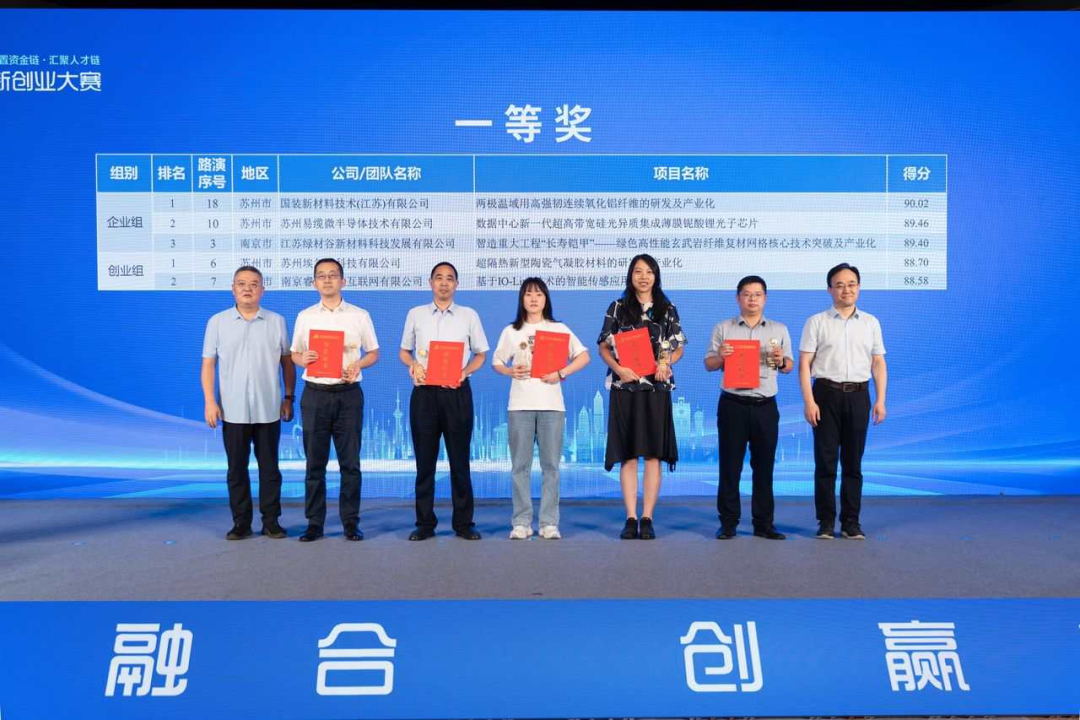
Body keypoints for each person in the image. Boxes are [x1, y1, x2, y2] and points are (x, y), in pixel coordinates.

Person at [201, 265, 295, 541]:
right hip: (232, 409)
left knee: (270, 470)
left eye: (254, 284)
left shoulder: (277, 321)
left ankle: (271, 522)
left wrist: (288, 397)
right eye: (241, 283)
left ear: (262, 290)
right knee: (236, 470)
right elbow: (208, 365)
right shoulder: (217, 322)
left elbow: (287, 363)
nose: (247, 288)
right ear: (233, 289)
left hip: (269, 408)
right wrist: (210, 401)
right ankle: (241, 523)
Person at [492, 278, 590, 540]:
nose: (533, 299)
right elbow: (497, 361)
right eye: (528, 294)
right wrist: (509, 371)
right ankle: (521, 522)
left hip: (551, 406)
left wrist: (561, 372)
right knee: (519, 467)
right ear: (521, 299)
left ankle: (548, 522)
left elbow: (584, 356)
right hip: (520, 405)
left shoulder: (558, 328)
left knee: (551, 467)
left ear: (546, 299)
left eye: (538, 294)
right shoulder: (511, 331)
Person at [290, 258, 380, 542]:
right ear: (314, 283)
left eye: (332, 275)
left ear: (343, 281)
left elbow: (373, 353)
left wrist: (358, 365)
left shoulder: (359, 315)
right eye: (321, 276)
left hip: (348, 395)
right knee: (314, 464)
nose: (327, 280)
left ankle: (350, 522)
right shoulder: (305, 316)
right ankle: (314, 523)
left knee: (350, 464)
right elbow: (294, 354)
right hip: (315, 394)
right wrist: (302, 358)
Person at [597, 254, 685, 540]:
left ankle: (647, 517)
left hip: (656, 387)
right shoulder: (618, 307)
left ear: (656, 276)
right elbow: (603, 347)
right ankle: (630, 517)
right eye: (638, 271)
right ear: (630, 276)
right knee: (628, 454)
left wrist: (666, 364)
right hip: (625, 387)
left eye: (649, 272)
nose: (644, 277)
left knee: (654, 454)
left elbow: (678, 347)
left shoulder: (667, 308)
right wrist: (619, 369)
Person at [399, 262, 489, 541]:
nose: (444, 283)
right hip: (425, 394)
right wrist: (413, 364)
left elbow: (481, 354)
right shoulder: (415, 314)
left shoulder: (469, 315)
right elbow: (404, 351)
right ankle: (424, 523)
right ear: (430, 283)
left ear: (456, 285)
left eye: (450, 279)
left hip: (456, 393)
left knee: (459, 462)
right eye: (439, 278)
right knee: (424, 463)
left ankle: (464, 523)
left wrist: (465, 371)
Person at [799, 263, 887, 540]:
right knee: (825, 463)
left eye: (851, 284)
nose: (846, 290)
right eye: (839, 285)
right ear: (830, 289)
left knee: (853, 463)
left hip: (859, 395)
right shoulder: (817, 322)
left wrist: (881, 400)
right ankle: (825, 522)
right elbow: (804, 364)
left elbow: (878, 362)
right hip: (825, 395)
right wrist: (809, 401)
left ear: (858, 288)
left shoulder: (871, 322)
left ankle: (851, 522)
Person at [704, 275, 793, 541]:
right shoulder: (724, 328)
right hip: (733, 405)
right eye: (746, 294)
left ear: (765, 298)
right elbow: (708, 364)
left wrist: (781, 360)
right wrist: (721, 357)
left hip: (765, 406)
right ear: (738, 298)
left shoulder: (779, 329)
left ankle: (764, 523)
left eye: (757, 294)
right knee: (729, 466)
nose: (752, 299)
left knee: (764, 467)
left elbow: (788, 366)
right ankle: (728, 523)